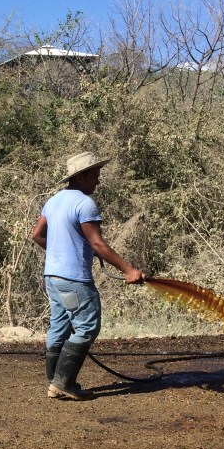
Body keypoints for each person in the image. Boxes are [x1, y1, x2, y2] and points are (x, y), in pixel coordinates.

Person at [31, 146, 145, 401]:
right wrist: (129, 270)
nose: (98, 181)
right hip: (74, 280)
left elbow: (37, 235)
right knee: (87, 327)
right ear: (81, 176)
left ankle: (54, 382)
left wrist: (61, 251)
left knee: (59, 326)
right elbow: (97, 244)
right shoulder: (85, 203)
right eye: (94, 176)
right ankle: (64, 383)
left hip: (52, 278)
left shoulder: (53, 201)